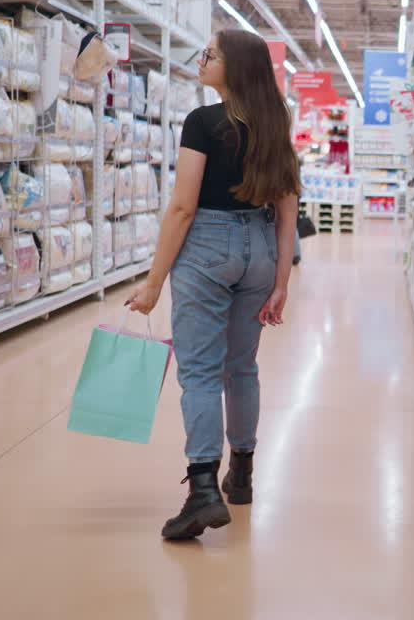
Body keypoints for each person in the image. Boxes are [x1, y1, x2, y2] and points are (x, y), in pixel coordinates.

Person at [125, 29, 300, 540]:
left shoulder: (203, 122)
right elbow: (288, 205)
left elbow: (182, 208)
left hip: (207, 247)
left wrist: (154, 282)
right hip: (260, 248)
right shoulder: (275, 123)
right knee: (240, 366)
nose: (203, 60)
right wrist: (281, 280)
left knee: (199, 371)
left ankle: (203, 489)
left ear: (236, 67)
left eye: (212, 55)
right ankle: (241, 473)